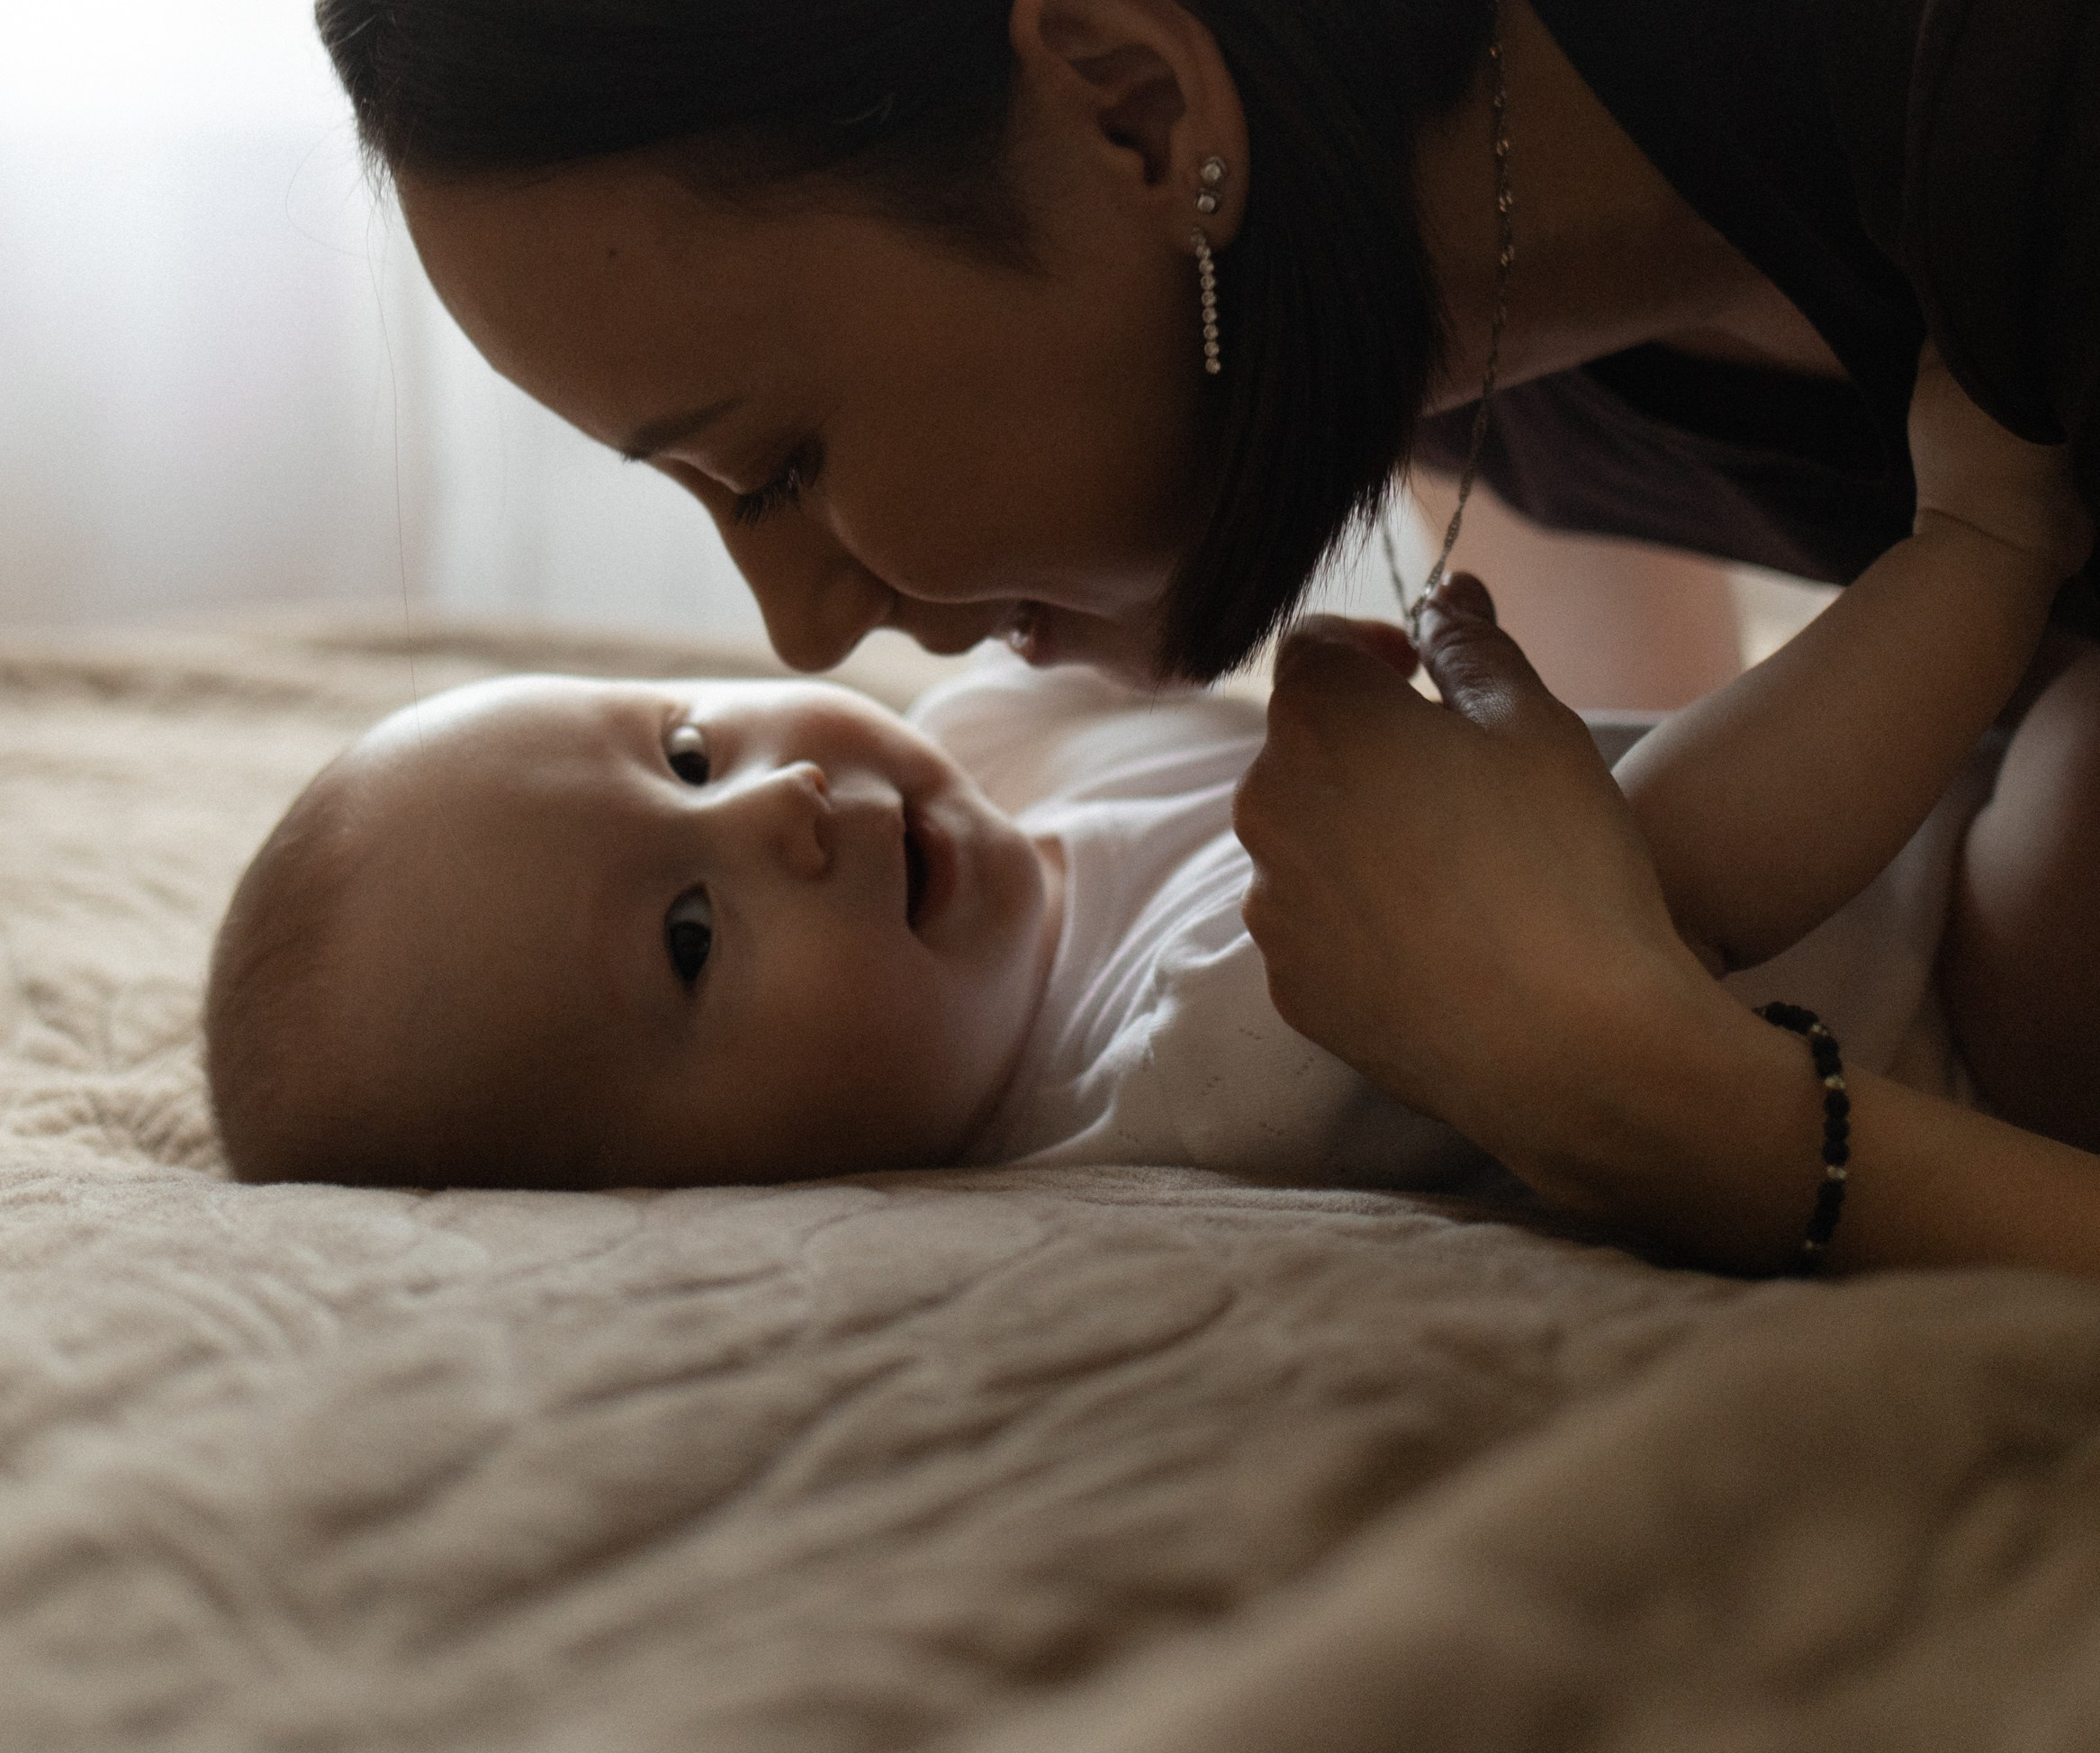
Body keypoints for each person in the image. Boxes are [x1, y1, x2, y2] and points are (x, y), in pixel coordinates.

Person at [315, 0, 2100, 1265]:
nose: (805, 631)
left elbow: (1657, 889)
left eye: (779, 464)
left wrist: (1676, 1106)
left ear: (1134, 109)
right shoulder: (1435, 224)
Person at [207, 346, 2087, 1206]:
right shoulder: (1191, 1054)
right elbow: (1646, 883)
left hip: (1876, 807)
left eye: (683, 750)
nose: (770, 809)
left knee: (1490, 444)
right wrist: (1973, 559)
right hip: (1965, 1002)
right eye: (690, 937)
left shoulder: (985, 747)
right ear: (697, 1195)